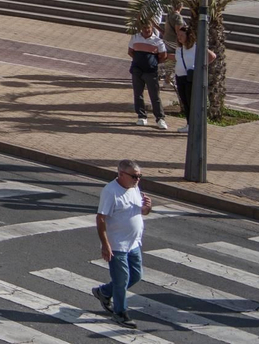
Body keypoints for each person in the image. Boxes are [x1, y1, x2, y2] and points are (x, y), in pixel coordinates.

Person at [91, 159, 152, 329]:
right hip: (117, 245)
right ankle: (120, 313)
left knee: (136, 275)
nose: (137, 179)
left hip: (133, 243)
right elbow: (101, 218)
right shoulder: (111, 191)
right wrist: (105, 244)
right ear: (121, 174)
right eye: (134, 176)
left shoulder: (134, 187)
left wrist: (147, 209)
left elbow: (138, 211)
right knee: (121, 280)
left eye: (139, 176)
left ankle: (104, 292)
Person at [172, 25, 215, 131]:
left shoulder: (196, 47)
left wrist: (200, 68)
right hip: (180, 77)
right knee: (185, 102)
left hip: (190, 78)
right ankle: (189, 124)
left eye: (182, 35)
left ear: (189, 35)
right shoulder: (179, 48)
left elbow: (212, 56)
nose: (179, 37)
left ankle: (195, 125)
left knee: (191, 102)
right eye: (178, 35)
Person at [128, 17, 169, 129]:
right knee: (138, 94)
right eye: (145, 28)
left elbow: (163, 56)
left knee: (154, 95)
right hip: (137, 70)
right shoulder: (135, 38)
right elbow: (130, 51)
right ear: (141, 28)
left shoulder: (157, 41)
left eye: (149, 28)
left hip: (151, 72)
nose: (147, 30)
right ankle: (141, 116)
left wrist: (153, 63)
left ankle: (160, 119)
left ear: (152, 28)